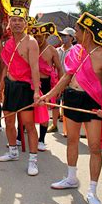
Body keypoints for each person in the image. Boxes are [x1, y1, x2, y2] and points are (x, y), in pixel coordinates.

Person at [42, 12, 102, 204]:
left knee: (94, 146)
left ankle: (92, 190)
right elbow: (66, 78)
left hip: (92, 102)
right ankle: (71, 177)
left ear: (88, 33)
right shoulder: (76, 51)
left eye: (77, 29)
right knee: (72, 140)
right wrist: (48, 95)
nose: (74, 32)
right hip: (72, 98)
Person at [0, 7, 44, 176]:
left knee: (29, 125)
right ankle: (13, 152)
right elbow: (5, 69)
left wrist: (37, 91)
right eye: (13, 20)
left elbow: (35, 68)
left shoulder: (31, 42)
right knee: (9, 122)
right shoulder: (8, 43)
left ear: (25, 23)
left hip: (25, 88)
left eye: (20, 20)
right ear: (9, 23)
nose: (16, 23)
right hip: (10, 86)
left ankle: (33, 160)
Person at [29, 22, 63, 151]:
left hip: (46, 84)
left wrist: (59, 87)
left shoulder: (52, 50)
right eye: (35, 36)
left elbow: (60, 69)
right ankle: (22, 137)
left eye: (40, 36)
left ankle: (41, 140)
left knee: (44, 113)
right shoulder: (30, 48)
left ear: (46, 35)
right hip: (30, 83)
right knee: (28, 112)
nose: (37, 39)